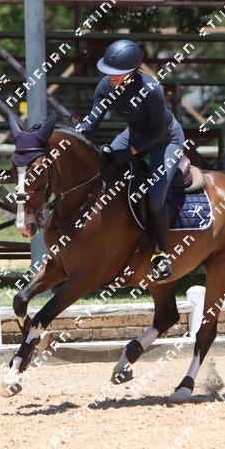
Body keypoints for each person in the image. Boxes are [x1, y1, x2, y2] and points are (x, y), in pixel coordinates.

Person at [76, 39, 186, 281]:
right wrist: (74, 133)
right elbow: (92, 122)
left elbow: (157, 131)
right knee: (105, 165)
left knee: (155, 196)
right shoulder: (105, 86)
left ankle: (161, 254)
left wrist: (132, 152)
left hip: (166, 139)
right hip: (134, 133)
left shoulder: (151, 90)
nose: (111, 77)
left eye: (116, 74)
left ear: (133, 72)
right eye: (108, 72)